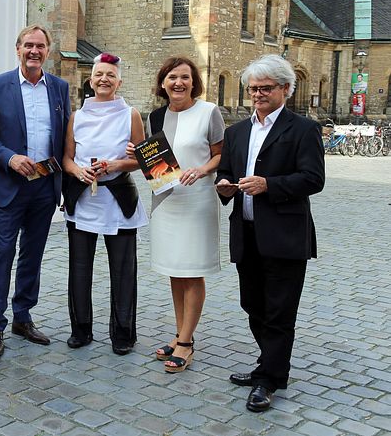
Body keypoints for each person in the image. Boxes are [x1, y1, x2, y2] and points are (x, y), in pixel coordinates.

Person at [216, 54, 325, 412]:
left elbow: (313, 179)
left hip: (285, 235)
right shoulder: (237, 132)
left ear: (286, 89)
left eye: (266, 88)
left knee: (280, 311)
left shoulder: (303, 129)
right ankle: (269, 364)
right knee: (253, 305)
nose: (258, 94)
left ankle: (269, 379)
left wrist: (269, 185)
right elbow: (226, 173)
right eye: (253, 89)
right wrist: (224, 186)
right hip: (246, 233)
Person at [0, 24, 70, 357]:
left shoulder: (59, 88)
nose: (34, 51)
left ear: (47, 51)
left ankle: (23, 317)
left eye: (40, 46)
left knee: (32, 255)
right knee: (2, 254)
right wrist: (10, 158)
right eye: (28, 45)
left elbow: (66, 136)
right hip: (9, 186)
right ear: (17, 49)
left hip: (45, 186)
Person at [62, 53, 148, 355]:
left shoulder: (131, 115)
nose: (104, 80)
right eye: (99, 74)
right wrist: (77, 171)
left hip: (119, 200)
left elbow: (141, 160)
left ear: (119, 82)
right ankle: (80, 328)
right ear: (91, 79)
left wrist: (115, 164)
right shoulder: (77, 116)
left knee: (123, 271)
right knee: (80, 268)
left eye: (110, 75)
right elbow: (67, 158)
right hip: (83, 198)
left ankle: (123, 332)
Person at [143, 56, 225, 373]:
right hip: (167, 202)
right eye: (172, 77)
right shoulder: (155, 116)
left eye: (185, 77)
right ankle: (180, 335)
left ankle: (187, 343)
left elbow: (220, 155)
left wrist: (201, 170)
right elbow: (157, 163)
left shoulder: (209, 112)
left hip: (197, 200)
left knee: (192, 271)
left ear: (194, 83)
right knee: (175, 271)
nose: (179, 82)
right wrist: (137, 156)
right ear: (163, 83)